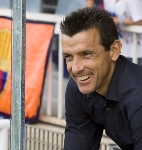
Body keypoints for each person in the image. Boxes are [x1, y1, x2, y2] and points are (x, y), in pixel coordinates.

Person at [60, 7, 142, 150]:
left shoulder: (137, 95)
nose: (76, 68)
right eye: (69, 57)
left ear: (115, 50)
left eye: (86, 54)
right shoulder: (77, 88)